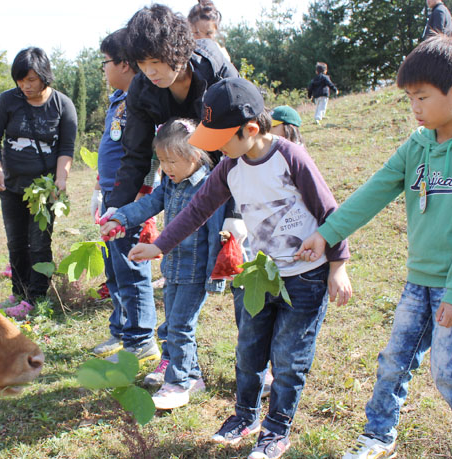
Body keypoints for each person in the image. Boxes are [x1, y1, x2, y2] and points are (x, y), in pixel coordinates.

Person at [129, 77, 352, 459]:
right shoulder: (231, 166)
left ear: (251, 129)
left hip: (306, 276)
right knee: (249, 351)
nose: (217, 150)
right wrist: (159, 244)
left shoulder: (290, 157)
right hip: (260, 276)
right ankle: (244, 416)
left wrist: (338, 266)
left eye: (221, 140)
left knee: (289, 358)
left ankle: (276, 430)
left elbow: (329, 212)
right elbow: (198, 209)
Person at [295, 35, 452, 459]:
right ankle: (378, 435)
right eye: (409, 99)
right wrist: (327, 234)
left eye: (421, 97)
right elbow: (373, 193)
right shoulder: (417, 146)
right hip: (418, 281)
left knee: (449, 370)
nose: (414, 108)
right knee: (392, 362)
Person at [101, 118, 230, 409]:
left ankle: (177, 383)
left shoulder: (209, 188)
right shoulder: (169, 185)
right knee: (173, 323)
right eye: (161, 161)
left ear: (195, 155)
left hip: (195, 272)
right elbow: (147, 204)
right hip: (172, 269)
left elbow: (215, 236)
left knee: (180, 327)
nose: (167, 168)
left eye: (172, 161)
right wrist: (119, 217)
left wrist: (215, 277)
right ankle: (192, 376)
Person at [103, 3, 238, 212]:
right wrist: (115, 206)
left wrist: (234, 213)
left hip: (229, 171)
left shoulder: (214, 69)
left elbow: (240, 141)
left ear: (178, 50)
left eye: (156, 61)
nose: (150, 71)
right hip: (180, 181)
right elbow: (136, 154)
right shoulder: (141, 89)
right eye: (142, 63)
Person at [89, 29, 159, 362]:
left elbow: (146, 155)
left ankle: (140, 339)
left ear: (126, 64)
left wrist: (140, 198)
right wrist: (99, 189)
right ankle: (121, 329)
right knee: (115, 268)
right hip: (112, 196)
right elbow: (111, 151)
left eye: (106, 62)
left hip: (131, 199)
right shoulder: (118, 100)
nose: (103, 69)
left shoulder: (144, 100)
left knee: (132, 266)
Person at [0, 47, 77, 302]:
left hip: (44, 188)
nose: (25, 86)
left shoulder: (62, 105)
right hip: (12, 185)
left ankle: (37, 297)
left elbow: (66, 147)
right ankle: (19, 293)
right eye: (20, 80)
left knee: (39, 243)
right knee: (16, 243)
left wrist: (61, 179)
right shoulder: (7, 101)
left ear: (43, 76)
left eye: (31, 80)